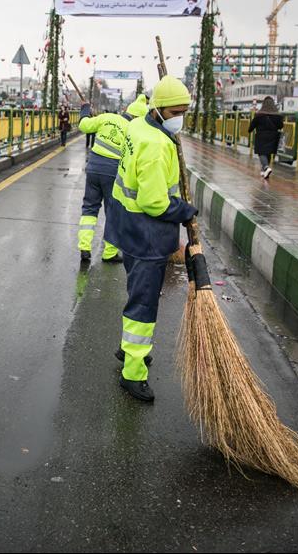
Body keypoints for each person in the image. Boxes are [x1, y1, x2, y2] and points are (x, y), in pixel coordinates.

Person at [105, 75, 198, 401]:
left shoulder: (138, 127)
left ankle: (128, 348)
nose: (180, 118)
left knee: (136, 292)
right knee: (143, 304)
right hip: (146, 234)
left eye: (184, 111)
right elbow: (155, 201)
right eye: (176, 112)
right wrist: (185, 210)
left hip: (127, 227)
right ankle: (133, 373)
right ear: (158, 109)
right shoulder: (157, 145)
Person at [77, 107, 131, 264]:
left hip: (93, 169)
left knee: (89, 208)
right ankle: (110, 253)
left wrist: (85, 110)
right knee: (112, 211)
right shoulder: (132, 129)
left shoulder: (106, 117)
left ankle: (84, 247)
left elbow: (84, 125)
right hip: (113, 173)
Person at [248, 96, 284, 179]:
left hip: (261, 136)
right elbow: (281, 126)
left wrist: (250, 130)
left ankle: (266, 167)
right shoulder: (278, 115)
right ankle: (264, 171)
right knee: (268, 152)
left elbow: (251, 127)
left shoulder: (259, 115)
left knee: (261, 152)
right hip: (273, 136)